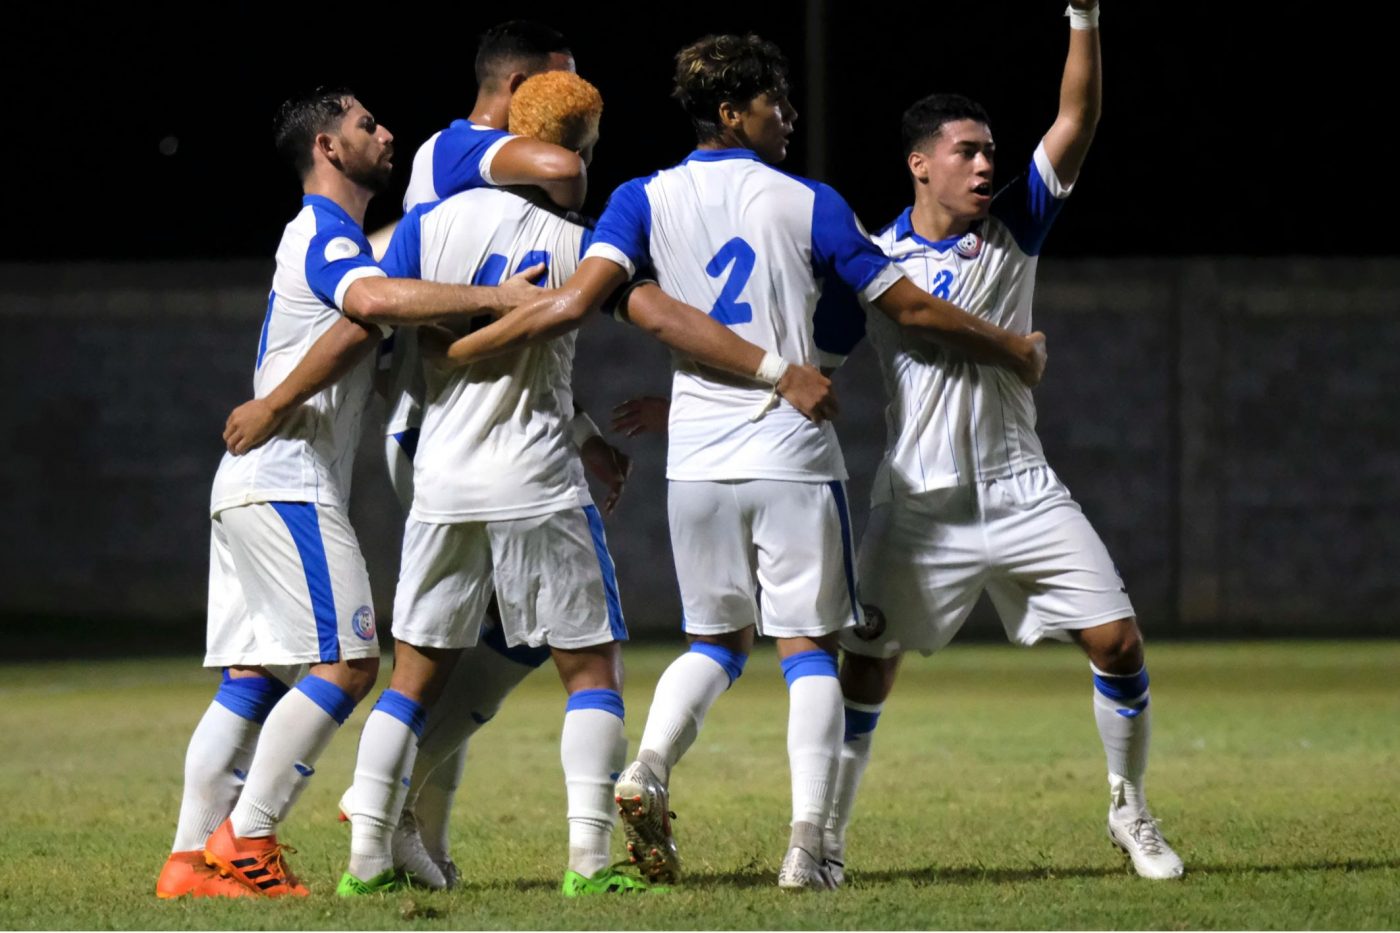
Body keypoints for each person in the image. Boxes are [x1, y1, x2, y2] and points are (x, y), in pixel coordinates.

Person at [439, 32, 1046, 891]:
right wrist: (1008, 345)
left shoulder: (640, 197)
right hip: (790, 454)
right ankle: (810, 847)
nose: (790, 115)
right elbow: (907, 305)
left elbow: (584, 302)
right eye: (775, 102)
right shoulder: (810, 202)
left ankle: (648, 764)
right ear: (732, 111)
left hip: (697, 463)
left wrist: (464, 348)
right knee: (810, 650)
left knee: (716, 642)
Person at [337, 68, 811, 897]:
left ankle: (366, 861)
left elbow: (378, 315)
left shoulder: (425, 225)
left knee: (412, 675)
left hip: (442, 479)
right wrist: (763, 367)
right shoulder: (579, 244)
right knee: (591, 670)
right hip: (537, 478)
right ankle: (589, 863)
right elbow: (656, 313)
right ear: (575, 152)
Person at [821, 0, 1185, 884]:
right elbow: (808, 359)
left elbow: (1077, 118)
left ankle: (1129, 808)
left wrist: (1084, 14)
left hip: (1025, 488)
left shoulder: (1015, 225)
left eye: (991, 151)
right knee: (864, 670)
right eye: (967, 151)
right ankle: (825, 835)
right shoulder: (872, 258)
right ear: (921, 164)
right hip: (918, 504)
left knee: (1119, 642)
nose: (987, 164)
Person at [155, 86, 541, 900]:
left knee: (254, 677)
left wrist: (476, 319)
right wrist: (500, 295)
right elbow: (369, 308)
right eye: (367, 124)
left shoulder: (345, 246)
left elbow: (377, 320)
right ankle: (247, 838)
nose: (385, 132)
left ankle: (190, 860)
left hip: (257, 484)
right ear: (327, 147)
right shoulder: (326, 232)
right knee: (350, 662)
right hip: (286, 481)